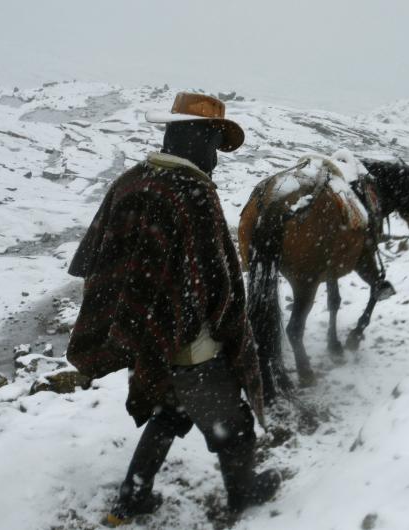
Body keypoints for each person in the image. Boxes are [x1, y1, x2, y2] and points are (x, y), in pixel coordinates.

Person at [65, 92, 281, 525]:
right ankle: (242, 497)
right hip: (190, 347)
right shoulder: (193, 194)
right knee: (233, 426)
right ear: (195, 139)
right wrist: (230, 336)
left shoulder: (129, 181)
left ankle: (132, 497)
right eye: (214, 146)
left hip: (146, 337)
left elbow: (91, 259)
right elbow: (217, 286)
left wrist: (134, 315)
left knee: (168, 411)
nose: (216, 161)